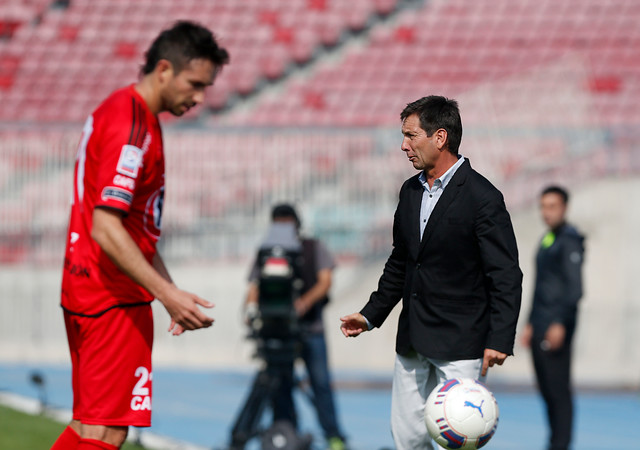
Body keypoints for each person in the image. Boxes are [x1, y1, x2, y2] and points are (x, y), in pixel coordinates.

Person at [51, 21, 229, 450]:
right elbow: (106, 226)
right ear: (164, 69)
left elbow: (133, 227)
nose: (200, 97)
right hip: (110, 295)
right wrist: (164, 294)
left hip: (91, 285)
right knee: (105, 431)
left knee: (90, 427)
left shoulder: (125, 112)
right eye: (195, 84)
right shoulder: (132, 128)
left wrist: (167, 288)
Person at [340, 96, 522, 450]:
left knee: (455, 443)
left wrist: (499, 338)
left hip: (461, 345)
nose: (404, 145)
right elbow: (401, 262)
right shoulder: (410, 191)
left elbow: (505, 275)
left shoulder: (483, 197)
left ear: (440, 138)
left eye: (411, 135)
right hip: (412, 341)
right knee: (407, 440)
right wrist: (370, 315)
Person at [245, 204, 348, 450]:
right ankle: (286, 433)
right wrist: (251, 310)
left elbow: (325, 281)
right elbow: (255, 286)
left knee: (320, 384)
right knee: (280, 385)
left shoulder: (314, 247)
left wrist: (303, 303)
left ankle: (333, 435)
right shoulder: (266, 252)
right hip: (278, 330)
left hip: (311, 329)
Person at [521, 186, 584, 450]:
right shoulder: (549, 239)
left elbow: (575, 289)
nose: (546, 212)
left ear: (565, 208)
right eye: (543, 206)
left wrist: (559, 322)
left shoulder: (569, 240)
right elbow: (541, 285)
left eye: (552, 206)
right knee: (546, 389)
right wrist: (530, 322)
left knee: (558, 391)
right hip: (540, 324)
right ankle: (554, 442)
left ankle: (560, 444)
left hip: (556, 327)